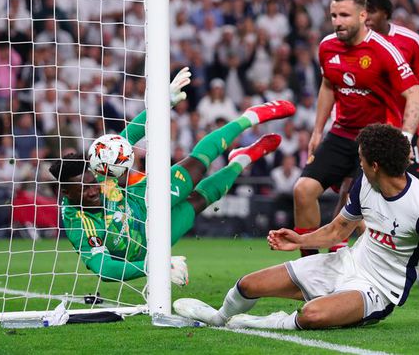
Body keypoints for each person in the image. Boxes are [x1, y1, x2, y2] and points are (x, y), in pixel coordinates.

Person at [175, 124, 419, 330]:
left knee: (311, 315)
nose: (358, 163)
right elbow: (339, 230)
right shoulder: (365, 183)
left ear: (375, 165)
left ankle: (254, 323)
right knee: (248, 284)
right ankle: (219, 317)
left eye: (361, 159)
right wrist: (299, 239)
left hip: (377, 291)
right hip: (345, 263)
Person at [49, 68, 296, 283]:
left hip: (142, 198)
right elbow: (104, 269)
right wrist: (154, 267)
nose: (93, 190)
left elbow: (125, 139)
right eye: (84, 189)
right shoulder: (78, 222)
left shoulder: (99, 168)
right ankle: (241, 159)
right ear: (66, 192)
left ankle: (249, 117)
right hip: (149, 244)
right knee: (199, 201)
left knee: (197, 167)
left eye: (92, 183)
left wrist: (163, 102)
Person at [292, 0, 419, 256]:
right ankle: (309, 266)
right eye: (334, 16)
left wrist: (406, 139)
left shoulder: (384, 50)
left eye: (344, 15)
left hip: (376, 139)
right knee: (303, 191)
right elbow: (328, 86)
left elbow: (414, 94)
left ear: (363, 16)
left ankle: (385, 269)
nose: (337, 22)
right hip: (341, 133)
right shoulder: (327, 46)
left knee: (361, 212)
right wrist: (317, 131)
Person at [365, 0, 419, 288]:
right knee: (365, 194)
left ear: (385, 13)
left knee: (417, 191)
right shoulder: (358, 42)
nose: (366, 17)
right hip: (373, 130)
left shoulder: (411, 41)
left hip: (406, 129)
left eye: (371, 11)